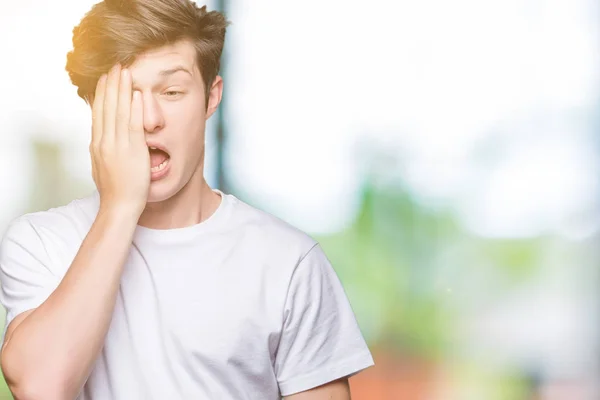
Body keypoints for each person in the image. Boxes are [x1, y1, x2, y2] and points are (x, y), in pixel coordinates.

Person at [0, 1, 374, 399]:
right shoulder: (40, 243)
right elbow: (41, 388)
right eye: (126, 95)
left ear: (211, 98)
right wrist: (120, 206)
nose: (149, 119)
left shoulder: (288, 262)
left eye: (172, 91)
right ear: (95, 107)